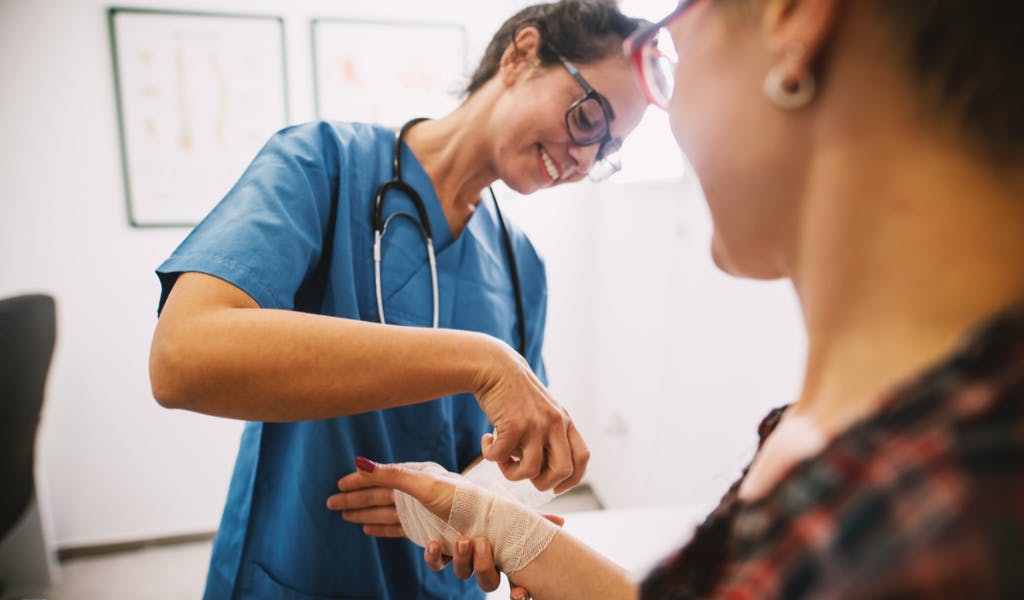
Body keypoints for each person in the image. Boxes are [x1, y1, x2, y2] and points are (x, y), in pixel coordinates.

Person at [331, 0, 1024, 597]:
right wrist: (503, 528)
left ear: (792, 18)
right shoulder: (858, 446)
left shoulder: (935, 522)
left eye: (670, 55)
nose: (583, 161)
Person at [148, 1, 649, 597]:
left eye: (609, 149)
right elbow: (182, 359)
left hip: (443, 582)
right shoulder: (322, 165)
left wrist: (489, 506)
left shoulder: (521, 264)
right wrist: (481, 361)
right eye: (590, 118)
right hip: (302, 569)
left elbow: (507, 458)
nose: (586, 157)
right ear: (521, 55)